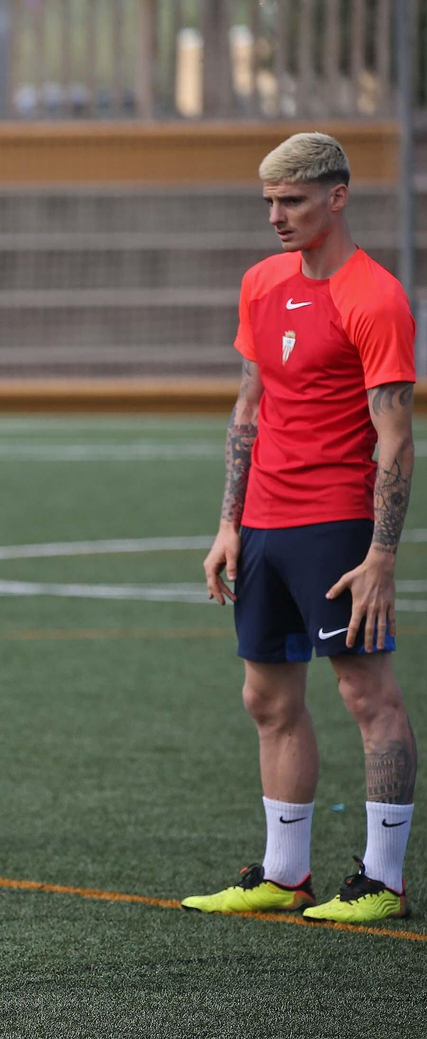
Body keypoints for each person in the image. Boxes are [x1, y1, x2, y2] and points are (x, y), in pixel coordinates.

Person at [188, 133, 415, 923]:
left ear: (337, 197)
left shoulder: (374, 296)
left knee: (365, 690)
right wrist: (227, 523)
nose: (276, 217)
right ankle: (284, 874)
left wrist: (382, 552)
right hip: (263, 524)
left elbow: (396, 435)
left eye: (292, 201)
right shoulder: (259, 283)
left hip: (337, 522)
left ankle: (382, 879)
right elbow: (249, 407)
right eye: (269, 203)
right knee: (265, 694)